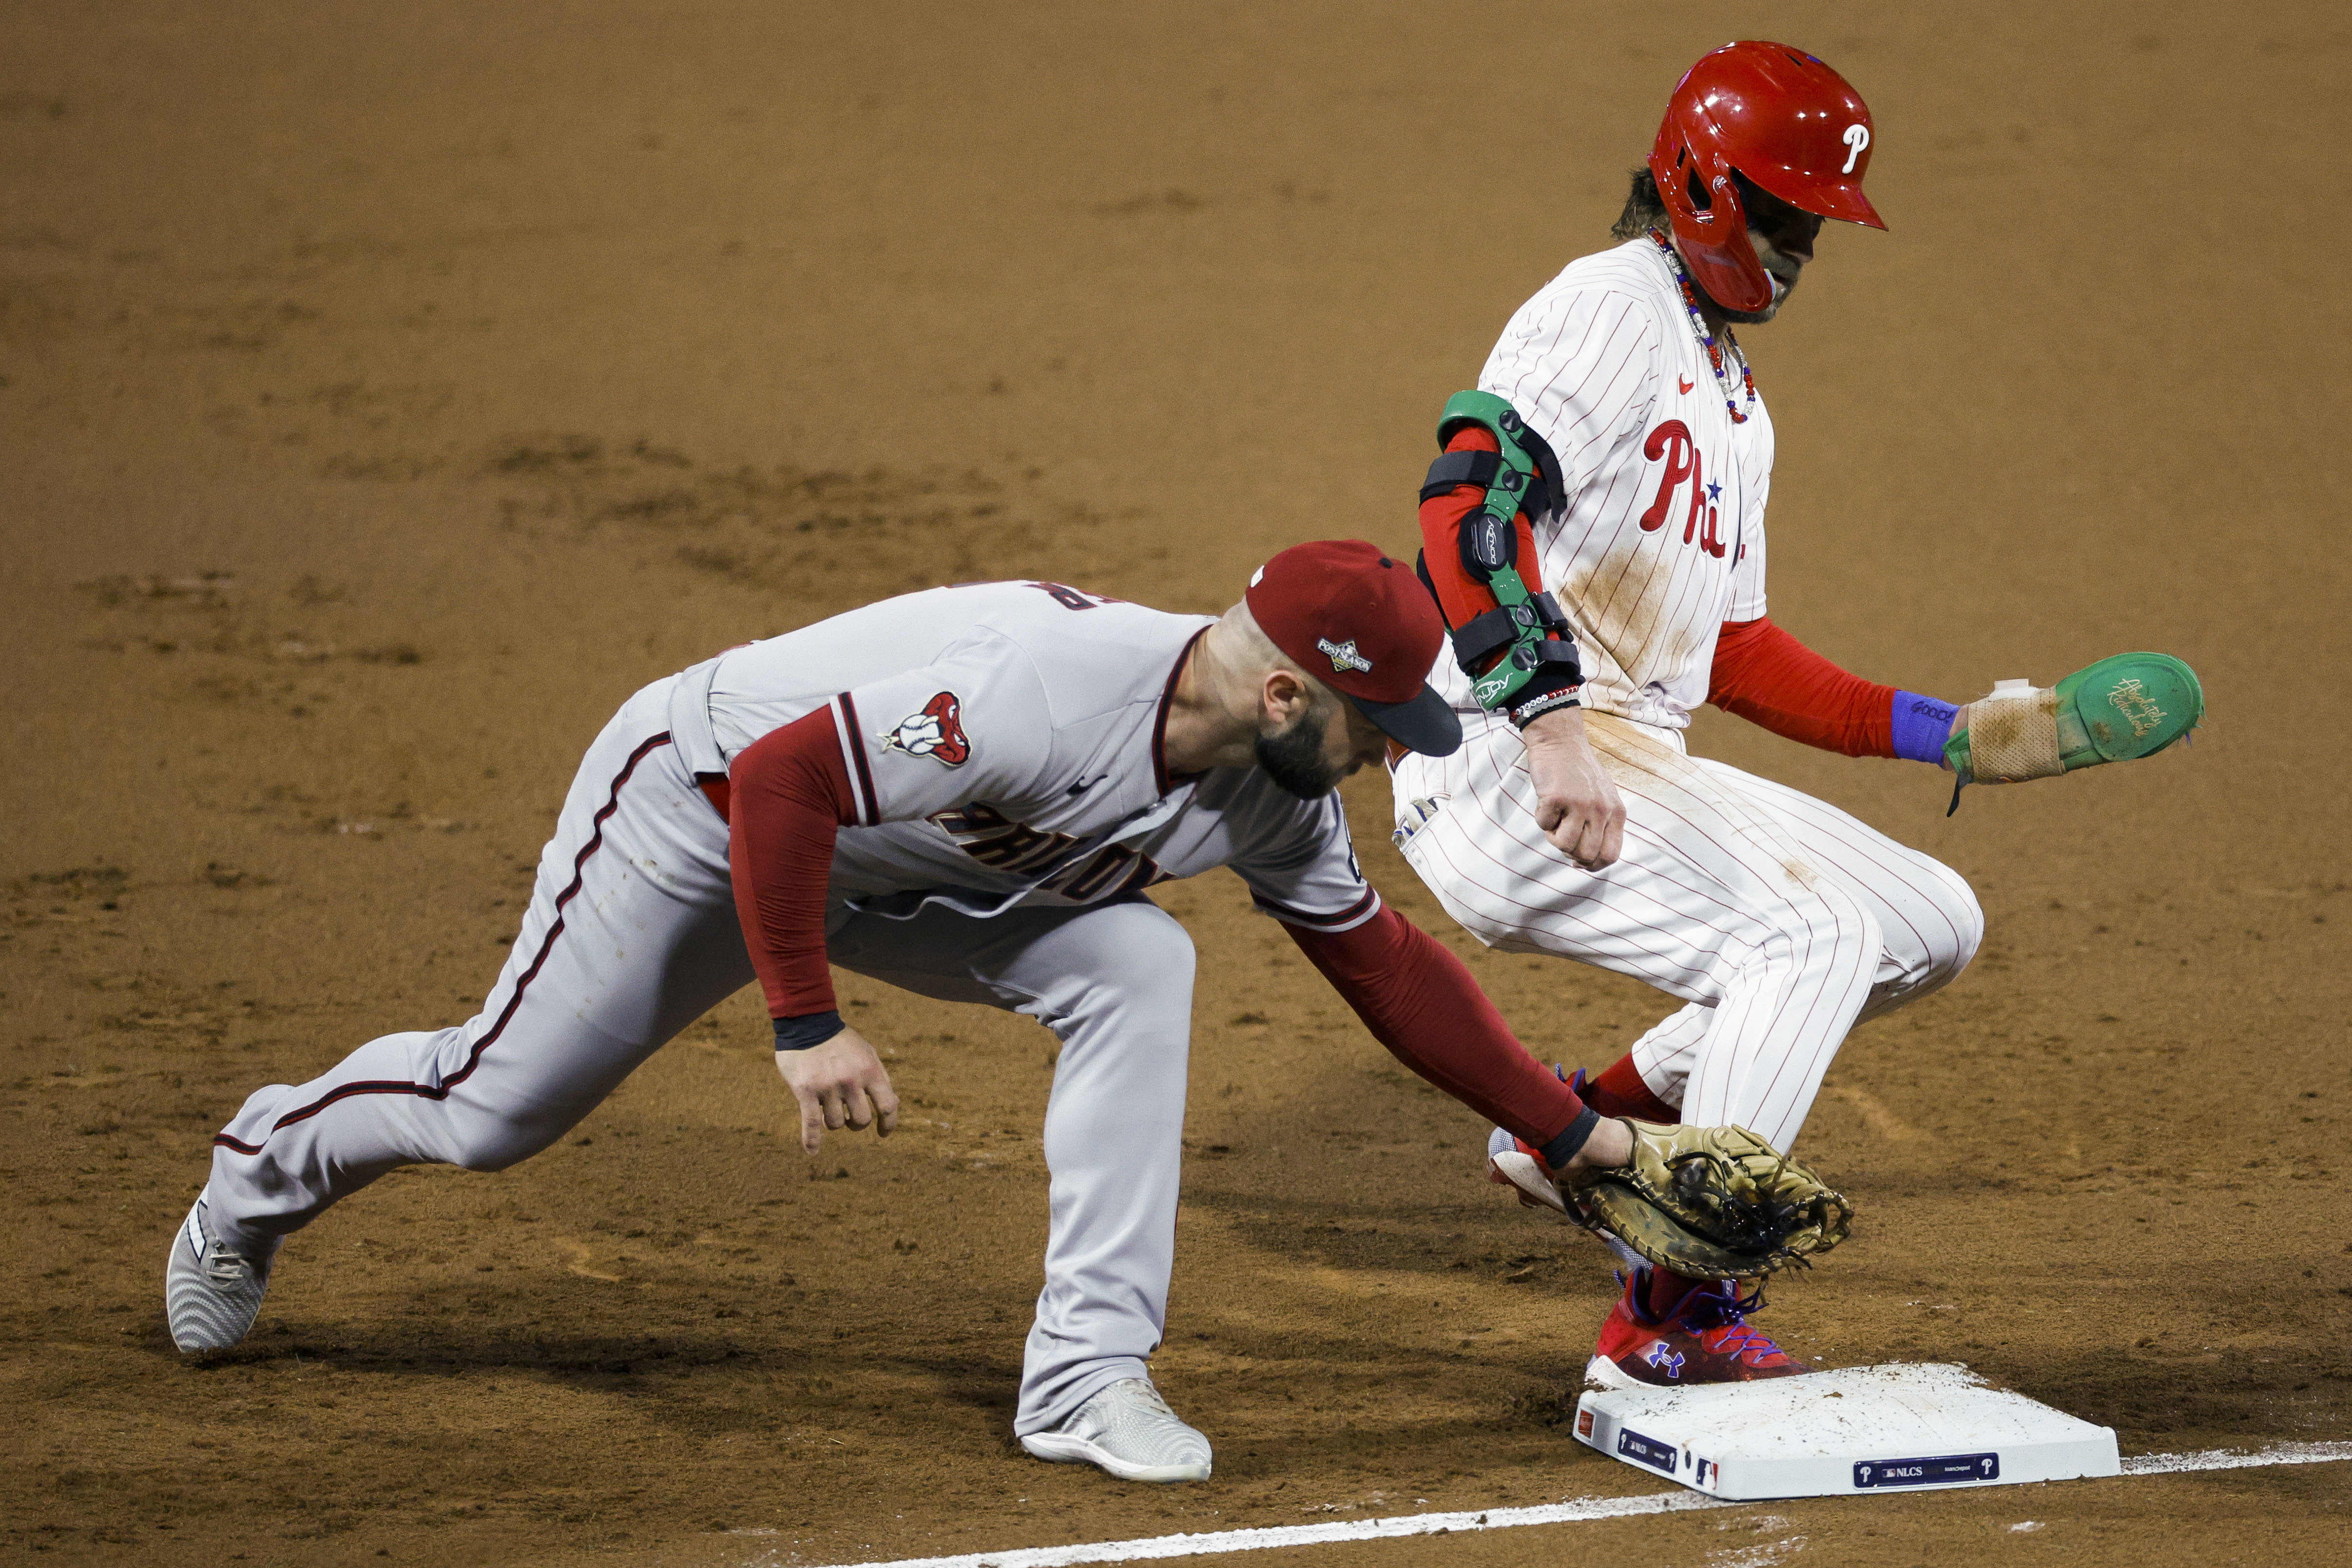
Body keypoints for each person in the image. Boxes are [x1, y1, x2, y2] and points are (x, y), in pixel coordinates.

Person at [168, 540, 1658, 1484]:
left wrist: (1571, 1126)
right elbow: (781, 784)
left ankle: (1084, 1375)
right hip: (703, 813)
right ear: (1283, 697)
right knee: (494, 1109)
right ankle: (256, 1176)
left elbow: (1383, 966)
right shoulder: (1038, 685)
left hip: (911, 872)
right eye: (1369, 730)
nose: (1377, 760)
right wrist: (805, 1020)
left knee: (1138, 962)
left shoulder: (1264, 797)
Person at [1391, 42, 1989, 1390]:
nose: (1790, 252)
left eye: (1811, 229)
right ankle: (1671, 1310)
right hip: (1505, 758)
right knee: (1812, 926)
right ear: (1698, 182)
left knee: (1932, 921)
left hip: (1625, 751)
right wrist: (1545, 724)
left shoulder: (1733, 400)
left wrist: (1939, 730)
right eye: (1775, 214)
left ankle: (1578, 1130)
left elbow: (1730, 647)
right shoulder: (1608, 306)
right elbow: (1464, 503)